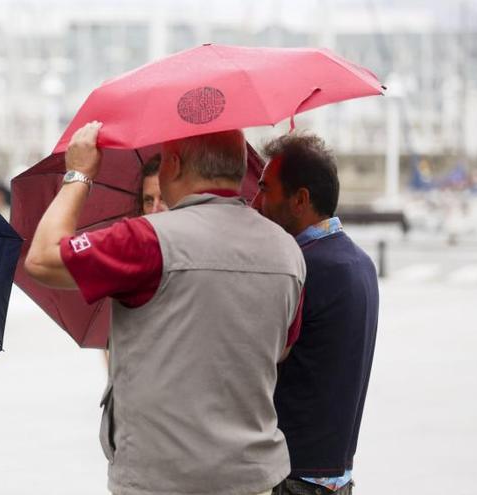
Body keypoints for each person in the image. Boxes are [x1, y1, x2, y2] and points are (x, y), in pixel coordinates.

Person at [25, 121, 306, 495]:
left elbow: (42, 259)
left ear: (171, 165)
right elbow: (281, 348)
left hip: (164, 480)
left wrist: (78, 174)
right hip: (253, 477)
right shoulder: (288, 251)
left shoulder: (149, 239)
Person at [253, 133, 379, 495]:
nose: (257, 201)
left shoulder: (304, 270)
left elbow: (259, 356)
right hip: (335, 475)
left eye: (266, 188)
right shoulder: (360, 263)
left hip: (296, 475)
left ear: (300, 200)